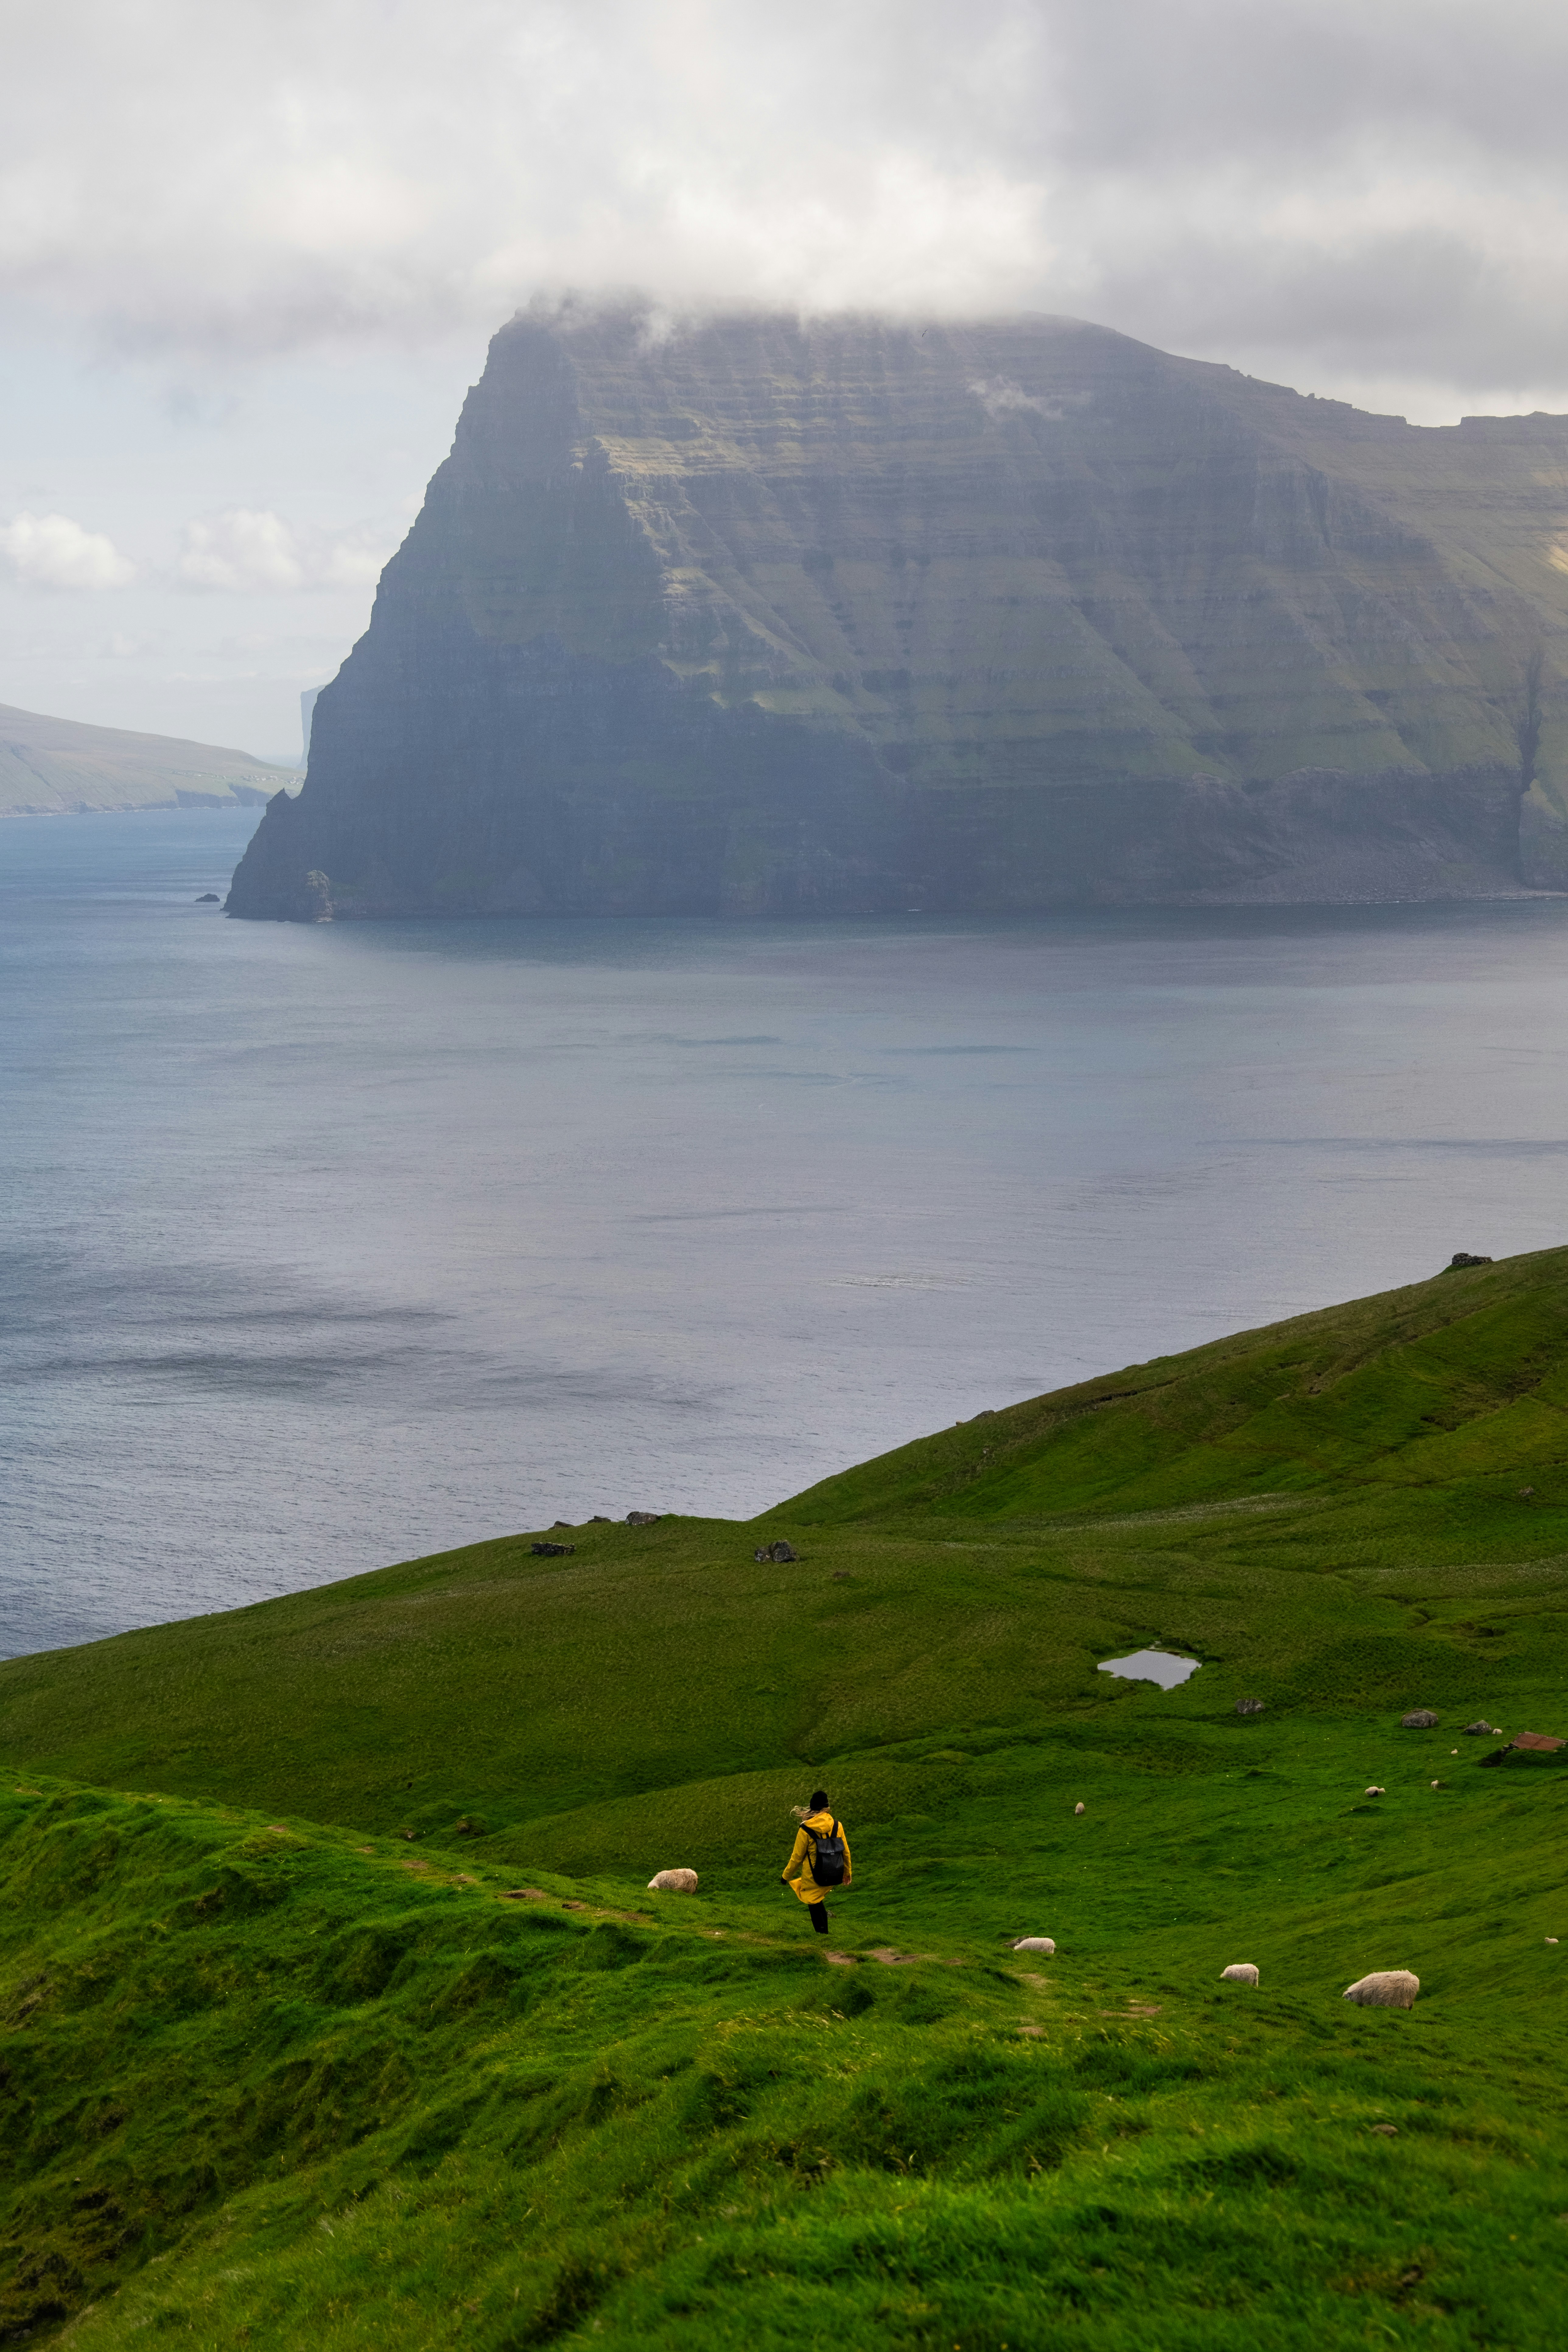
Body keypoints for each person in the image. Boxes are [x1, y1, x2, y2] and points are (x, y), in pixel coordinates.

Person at [780, 1789, 852, 1934]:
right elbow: (846, 1852)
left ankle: (822, 1934)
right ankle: (823, 1934)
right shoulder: (838, 1826)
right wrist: (847, 1872)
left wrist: (785, 1877)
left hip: (814, 1876)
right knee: (817, 1901)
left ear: (813, 1808)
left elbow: (797, 1858)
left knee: (813, 1902)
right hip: (834, 1873)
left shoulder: (805, 1829)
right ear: (827, 1807)